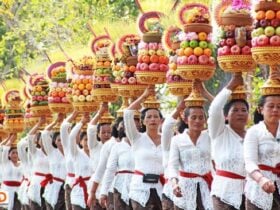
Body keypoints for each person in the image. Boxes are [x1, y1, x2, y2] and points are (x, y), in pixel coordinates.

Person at [169, 82, 214, 210]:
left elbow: (219, 111)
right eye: (193, 117)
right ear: (185, 119)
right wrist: (174, 184)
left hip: (207, 187)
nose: (197, 121)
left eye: (201, 117)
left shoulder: (209, 136)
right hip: (185, 188)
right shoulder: (177, 140)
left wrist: (205, 93)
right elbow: (172, 166)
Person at [208, 74, 249, 210]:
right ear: (226, 116)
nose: (240, 113)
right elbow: (214, 109)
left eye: (244, 110)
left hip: (251, 194)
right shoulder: (219, 132)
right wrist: (231, 85)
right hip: (223, 194)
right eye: (235, 110)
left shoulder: (253, 135)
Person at [123, 86, 164, 210]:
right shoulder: (137, 138)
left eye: (156, 116)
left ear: (161, 121)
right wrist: (144, 96)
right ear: (143, 121)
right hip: (140, 189)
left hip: (161, 189)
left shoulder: (167, 139)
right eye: (149, 117)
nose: (152, 119)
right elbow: (127, 113)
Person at [244, 92, 280, 210]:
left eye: (279, 106)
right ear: (261, 109)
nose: (275, 110)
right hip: (258, 190)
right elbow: (249, 162)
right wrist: (261, 179)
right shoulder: (253, 132)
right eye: (271, 106)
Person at [86, 103, 112, 210]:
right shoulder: (94, 146)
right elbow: (91, 128)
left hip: (110, 188)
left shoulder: (115, 147)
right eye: (103, 132)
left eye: (109, 132)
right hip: (96, 189)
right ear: (98, 134)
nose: (106, 135)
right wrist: (100, 113)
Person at [161, 99, 185, 210]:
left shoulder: (203, 139)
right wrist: (178, 109)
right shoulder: (170, 142)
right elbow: (167, 126)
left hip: (197, 191)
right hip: (171, 192)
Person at [41, 113, 67, 210]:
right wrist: (56, 121)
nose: (61, 142)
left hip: (67, 187)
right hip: (53, 186)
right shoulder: (52, 152)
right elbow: (44, 133)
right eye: (59, 140)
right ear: (55, 142)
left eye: (63, 139)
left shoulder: (71, 152)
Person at [69, 113, 92, 210]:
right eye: (85, 139)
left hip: (93, 191)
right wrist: (81, 123)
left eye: (90, 139)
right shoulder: (77, 153)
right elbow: (71, 137)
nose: (88, 142)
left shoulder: (97, 153)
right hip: (79, 193)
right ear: (81, 142)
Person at [27, 117, 50, 210]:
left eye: (47, 139)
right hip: (36, 185)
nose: (45, 142)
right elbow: (30, 136)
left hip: (49, 185)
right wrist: (39, 124)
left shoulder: (54, 153)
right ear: (39, 142)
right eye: (42, 139)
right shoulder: (35, 152)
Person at [60, 111, 79, 210]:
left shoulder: (87, 148)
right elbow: (63, 127)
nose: (75, 135)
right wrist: (74, 115)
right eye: (73, 132)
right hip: (71, 183)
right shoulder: (67, 147)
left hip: (85, 184)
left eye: (78, 132)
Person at [1, 134, 22, 210]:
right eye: (13, 153)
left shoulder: (22, 164)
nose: (15, 155)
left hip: (18, 190)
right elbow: (5, 148)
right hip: (5, 189)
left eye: (17, 153)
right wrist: (10, 140)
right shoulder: (6, 162)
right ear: (8, 155)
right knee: (3, 208)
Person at [17, 136, 32, 210]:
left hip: (34, 186)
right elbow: (20, 145)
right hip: (7, 188)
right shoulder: (24, 161)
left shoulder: (37, 160)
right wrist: (30, 139)